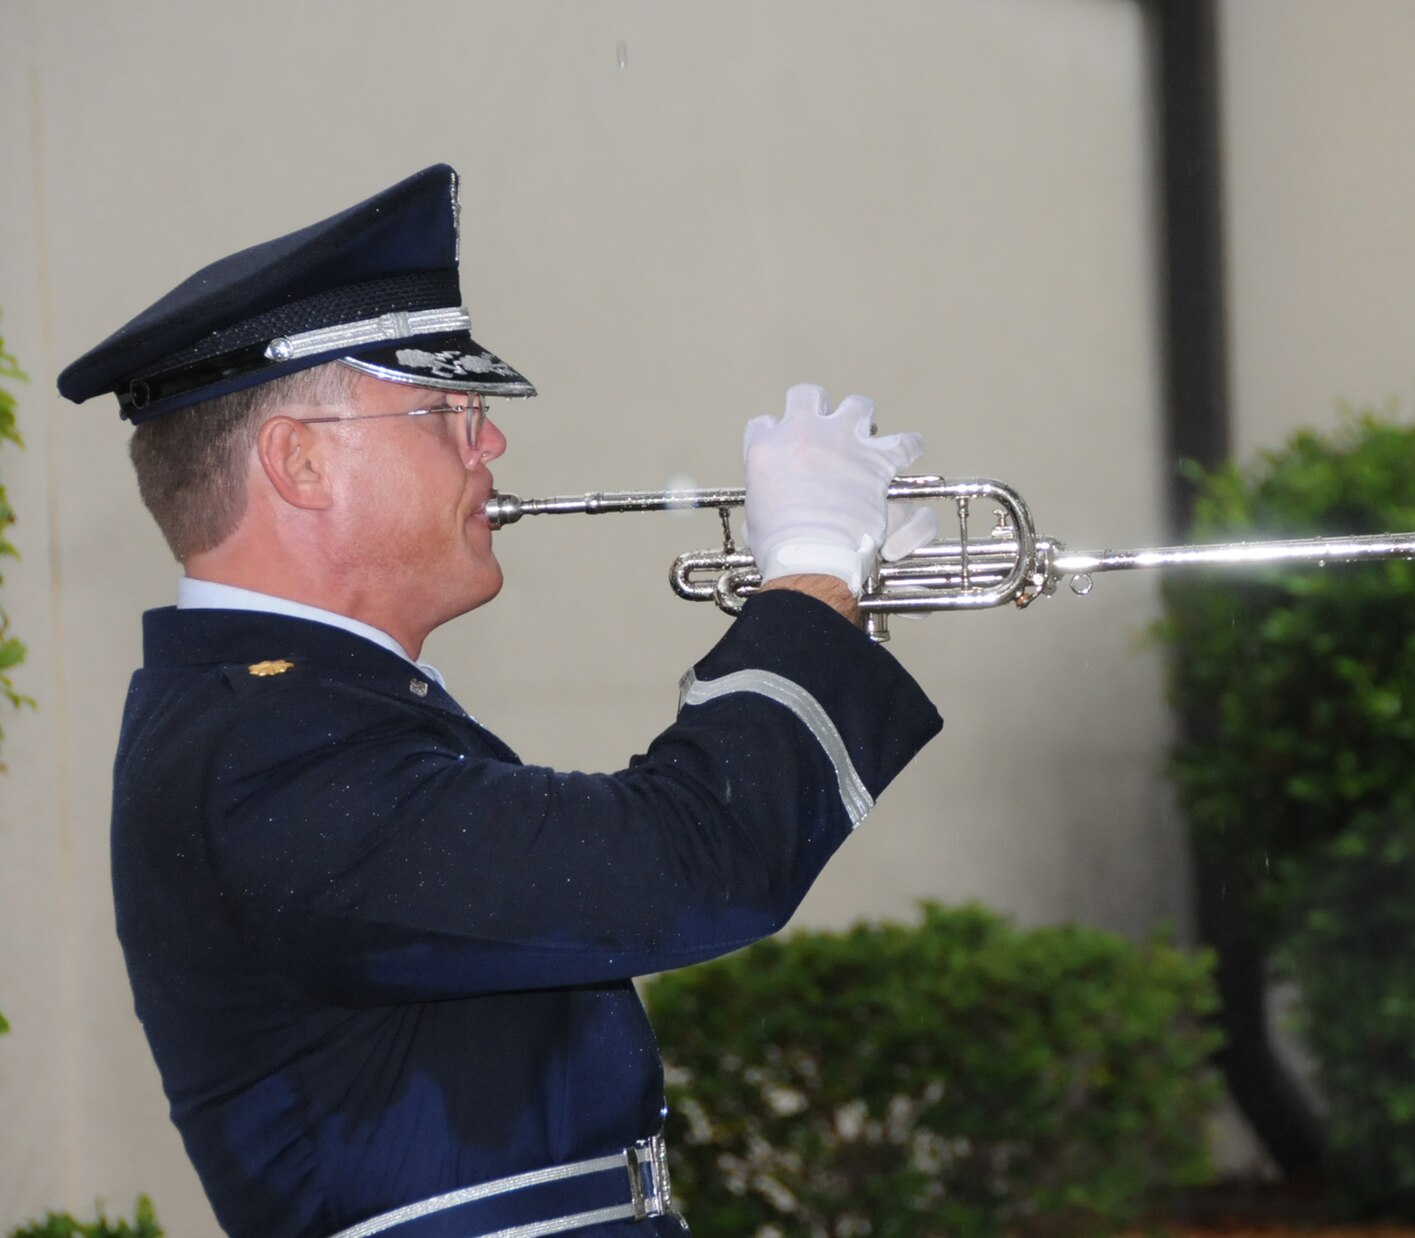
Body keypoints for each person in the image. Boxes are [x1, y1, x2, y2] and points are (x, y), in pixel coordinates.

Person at [55, 164, 942, 1238]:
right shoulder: (260, 752)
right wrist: (807, 568)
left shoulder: (304, 713)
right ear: (300, 461)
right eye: (447, 409)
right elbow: (677, 863)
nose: (491, 445)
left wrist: (834, 600)